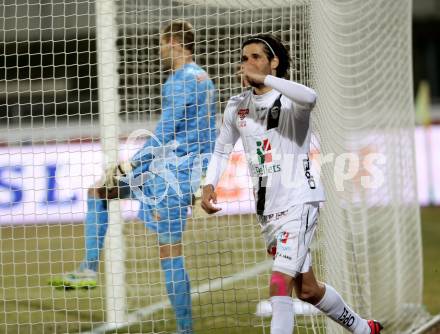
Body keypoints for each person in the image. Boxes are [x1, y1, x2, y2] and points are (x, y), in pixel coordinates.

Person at [200, 34, 383, 334]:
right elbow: (221, 150)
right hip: (267, 212)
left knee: (278, 284)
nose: (248, 64)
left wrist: (268, 79)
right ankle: (365, 330)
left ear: (274, 62)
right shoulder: (237, 106)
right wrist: (209, 185)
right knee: (308, 290)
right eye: (245, 58)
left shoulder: (290, 102)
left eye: (257, 57)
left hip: (299, 203)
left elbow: (311, 97)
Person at [49, 20, 216, 334]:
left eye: (162, 43)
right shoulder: (204, 79)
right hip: (178, 173)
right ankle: (88, 268)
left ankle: (185, 330)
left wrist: (131, 166)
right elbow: (207, 134)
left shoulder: (180, 81)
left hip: (169, 177)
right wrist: (201, 174)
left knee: (170, 252)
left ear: (176, 43)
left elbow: (164, 134)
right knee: (100, 192)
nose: (159, 50)